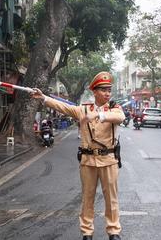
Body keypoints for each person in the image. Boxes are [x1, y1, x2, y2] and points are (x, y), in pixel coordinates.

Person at [31, 71, 124, 240]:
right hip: (88, 161)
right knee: (87, 198)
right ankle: (87, 232)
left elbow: (120, 117)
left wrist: (99, 114)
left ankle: (113, 231)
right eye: (103, 90)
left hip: (108, 160)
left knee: (112, 198)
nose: (107, 93)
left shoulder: (114, 108)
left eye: (109, 90)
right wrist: (43, 98)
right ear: (94, 92)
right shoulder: (83, 110)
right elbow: (62, 106)